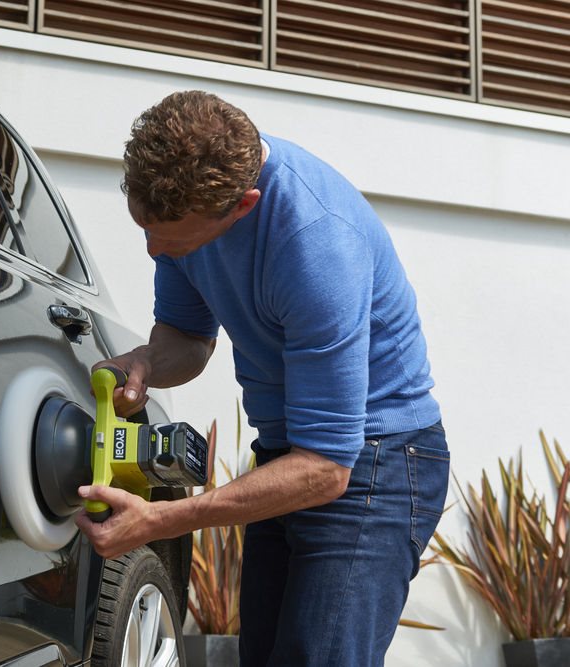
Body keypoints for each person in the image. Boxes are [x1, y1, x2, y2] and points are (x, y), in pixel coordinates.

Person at [73, 91, 450, 667]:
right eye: (146, 229)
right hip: (287, 455)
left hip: (376, 463)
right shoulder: (181, 206)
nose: (154, 247)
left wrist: (161, 520)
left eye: (171, 237)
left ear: (243, 206)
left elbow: (326, 468)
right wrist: (147, 362)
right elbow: (188, 337)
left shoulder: (317, 246)